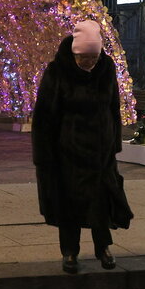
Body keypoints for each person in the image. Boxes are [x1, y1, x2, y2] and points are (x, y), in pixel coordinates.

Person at [31, 20, 132, 274]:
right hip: (68, 151)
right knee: (69, 204)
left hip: (100, 151)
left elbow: (113, 108)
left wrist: (114, 144)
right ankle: (70, 252)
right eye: (85, 58)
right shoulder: (57, 71)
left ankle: (103, 248)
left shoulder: (106, 68)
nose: (90, 63)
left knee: (101, 202)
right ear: (75, 53)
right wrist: (44, 155)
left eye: (94, 58)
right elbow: (44, 117)